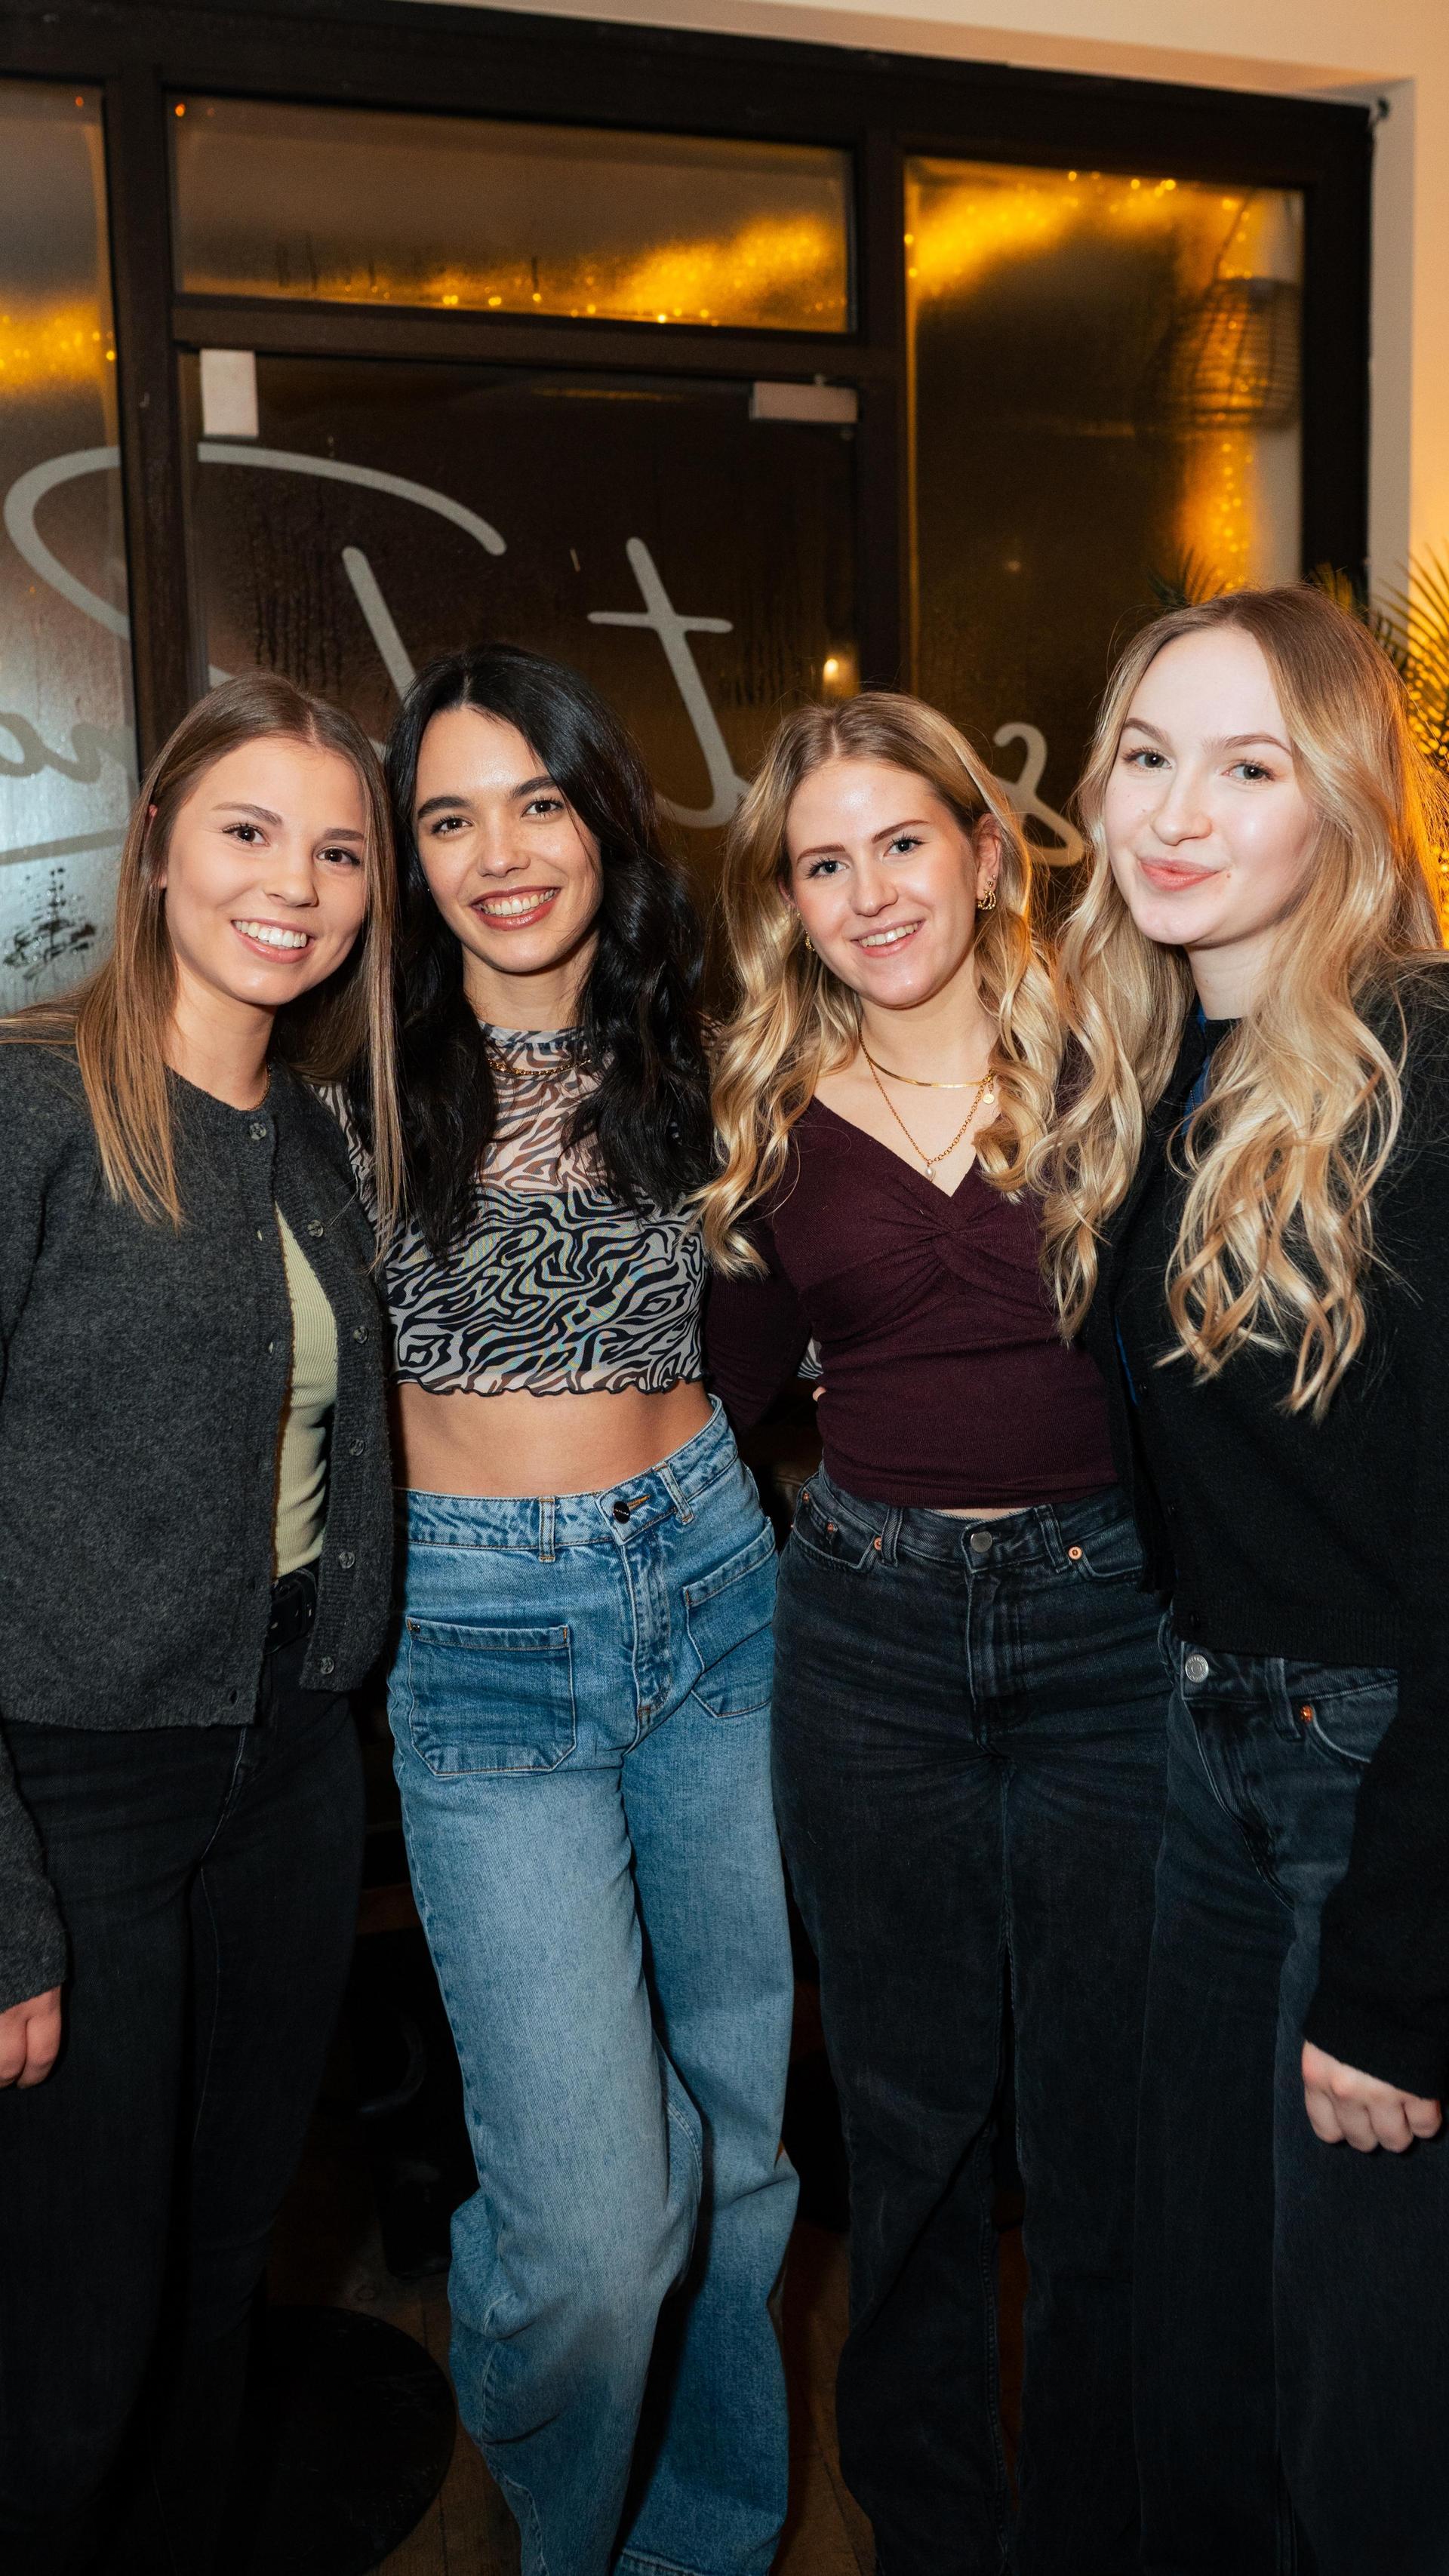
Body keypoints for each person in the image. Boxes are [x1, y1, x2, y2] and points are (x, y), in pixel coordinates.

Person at [338, 642, 796, 2576]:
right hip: (485, 1638)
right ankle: (559, 2519)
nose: (500, 851)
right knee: (595, 2236)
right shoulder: (344, 1063)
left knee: (749, 2158)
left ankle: (702, 2537)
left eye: (539, 800)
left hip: (713, 1593)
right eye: (448, 815)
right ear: (409, 853)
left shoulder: (715, 1035)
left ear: (607, 817)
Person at [700, 692, 1168, 2576]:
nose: (871, 890)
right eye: (824, 863)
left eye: (905, 841)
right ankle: (934, 2536)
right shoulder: (767, 1123)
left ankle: (1103, 2521)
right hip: (870, 1642)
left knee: (1103, 2141)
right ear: (790, 903)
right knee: (908, 2133)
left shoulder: (1123, 1065)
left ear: (987, 850)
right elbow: (708, 1407)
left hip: (1111, 1639)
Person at [1035, 583, 1449, 2576]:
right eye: (1144, 755)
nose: (1176, 812)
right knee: (1195, 2360)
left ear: (1345, 809)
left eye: (1250, 764)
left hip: (1380, 1796)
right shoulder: (1149, 1061)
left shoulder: (1422, 1080)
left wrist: (1401, 1961)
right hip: (1209, 1762)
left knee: (1364, 2425)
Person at [0, 674, 402, 2574]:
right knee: (70, 2348)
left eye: (339, 849)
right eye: (249, 831)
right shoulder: (31, 1106)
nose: (294, 885)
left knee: (218, 2288)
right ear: (155, 847)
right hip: (73, 1799)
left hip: (288, 1774)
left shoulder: (317, 1141)